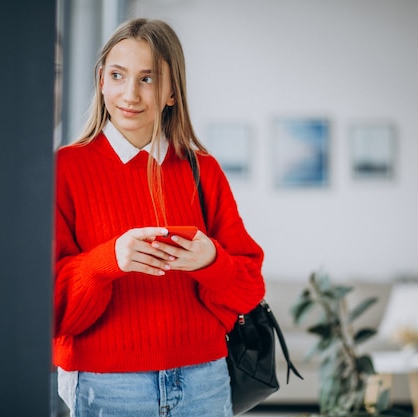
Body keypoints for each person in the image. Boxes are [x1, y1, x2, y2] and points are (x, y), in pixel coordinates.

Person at [53, 18, 265, 417]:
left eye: (148, 79)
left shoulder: (202, 170)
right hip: (105, 385)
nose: (129, 94)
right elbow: (49, 307)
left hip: (203, 380)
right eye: (118, 75)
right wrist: (107, 261)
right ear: (101, 80)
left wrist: (211, 261)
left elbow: (250, 289)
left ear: (171, 92)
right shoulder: (64, 170)